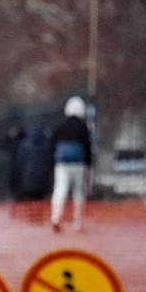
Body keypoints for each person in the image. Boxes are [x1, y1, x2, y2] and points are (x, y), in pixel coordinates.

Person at [49, 96, 93, 233]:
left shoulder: (60, 128)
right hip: (78, 164)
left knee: (60, 190)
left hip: (62, 164)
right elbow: (88, 147)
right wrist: (88, 165)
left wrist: (53, 162)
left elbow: (52, 145)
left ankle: (56, 217)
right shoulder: (83, 128)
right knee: (78, 192)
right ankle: (77, 222)